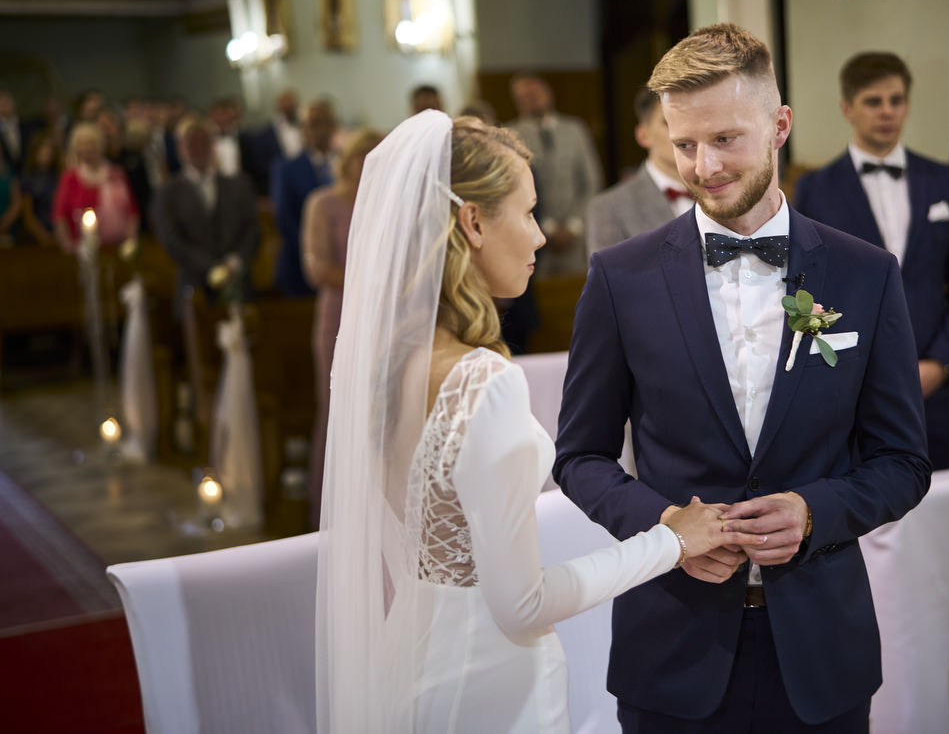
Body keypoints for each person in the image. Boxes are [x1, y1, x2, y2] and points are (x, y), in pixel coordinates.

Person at [315, 110, 744, 732]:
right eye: (528, 212)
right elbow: (522, 603)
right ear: (473, 222)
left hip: (413, 659)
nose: (541, 236)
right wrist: (672, 542)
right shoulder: (482, 381)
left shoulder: (382, 366)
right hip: (491, 688)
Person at [554, 24, 931, 732]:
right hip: (672, 650)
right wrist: (664, 529)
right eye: (684, 144)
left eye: (725, 139)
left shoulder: (866, 274)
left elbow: (903, 462)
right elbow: (579, 457)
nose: (704, 166)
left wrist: (815, 512)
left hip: (822, 652)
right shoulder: (620, 278)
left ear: (780, 125)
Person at [793, 52, 949, 469]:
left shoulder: (945, 181)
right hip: (851, 388)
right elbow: (804, 289)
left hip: (935, 387)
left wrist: (941, 363)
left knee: (943, 499)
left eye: (896, 100)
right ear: (847, 108)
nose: (887, 112)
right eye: (873, 101)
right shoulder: (815, 190)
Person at [300, 126, 383, 528]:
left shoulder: (390, 204)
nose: (368, 164)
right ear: (347, 160)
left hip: (385, 320)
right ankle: (329, 515)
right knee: (337, 412)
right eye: (362, 156)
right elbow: (317, 267)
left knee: (378, 415)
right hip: (339, 318)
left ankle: (372, 514)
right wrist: (376, 284)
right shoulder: (323, 203)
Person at [152, 116, 261, 314]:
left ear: (212, 145)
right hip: (194, 287)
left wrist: (234, 263)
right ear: (180, 148)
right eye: (191, 142)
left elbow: (252, 230)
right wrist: (211, 267)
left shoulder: (239, 185)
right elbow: (171, 239)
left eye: (204, 141)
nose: (198, 148)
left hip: (239, 284)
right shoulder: (168, 192)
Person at [506, 73, 604, 275]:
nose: (532, 99)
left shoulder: (575, 129)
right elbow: (513, 189)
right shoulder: (510, 134)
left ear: (548, 93)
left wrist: (574, 225)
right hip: (533, 236)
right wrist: (547, 227)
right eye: (525, 96)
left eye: (536, 93)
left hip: (576, 235)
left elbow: (591, 180)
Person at [586, 88, 691, 255]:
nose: (683, 133)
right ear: (643, 135)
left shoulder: (725, 191)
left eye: (689, 120)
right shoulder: (609, 208)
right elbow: (611, 272)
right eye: (668, 122)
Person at [273, 98, 337, 296]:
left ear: (333, 125)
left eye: (322, 122)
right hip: (300, 265)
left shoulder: (346, 164)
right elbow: (285, 218)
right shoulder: (286, 168)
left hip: (344, 262)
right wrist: (315, 251)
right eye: (311, 124)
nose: (317, 130)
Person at [51, 122, 139, 252]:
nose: (86, 149)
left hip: (117, 246)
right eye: (81, 145)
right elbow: (59, 215)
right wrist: (67, 245)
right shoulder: (70, 178)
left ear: (100, 145)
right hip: (81, 249)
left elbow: (132, 211)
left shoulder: (116, 174)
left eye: (90, 144)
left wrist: (130, 243)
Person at [248, 88, 302, 197]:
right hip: (279, 183)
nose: (289, 108)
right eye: (285, 104)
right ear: (278, 107)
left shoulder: (304, 127)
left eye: (292, 105)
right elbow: (261, 163)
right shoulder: (265, 134)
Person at [19, 133, 63, 245]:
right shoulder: (28, 179)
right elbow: (28, 214)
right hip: (36, 235)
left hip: (58, 231)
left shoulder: (59, 176)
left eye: (48, 151)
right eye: (42, 151)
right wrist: (43, 235)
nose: (45, 155)